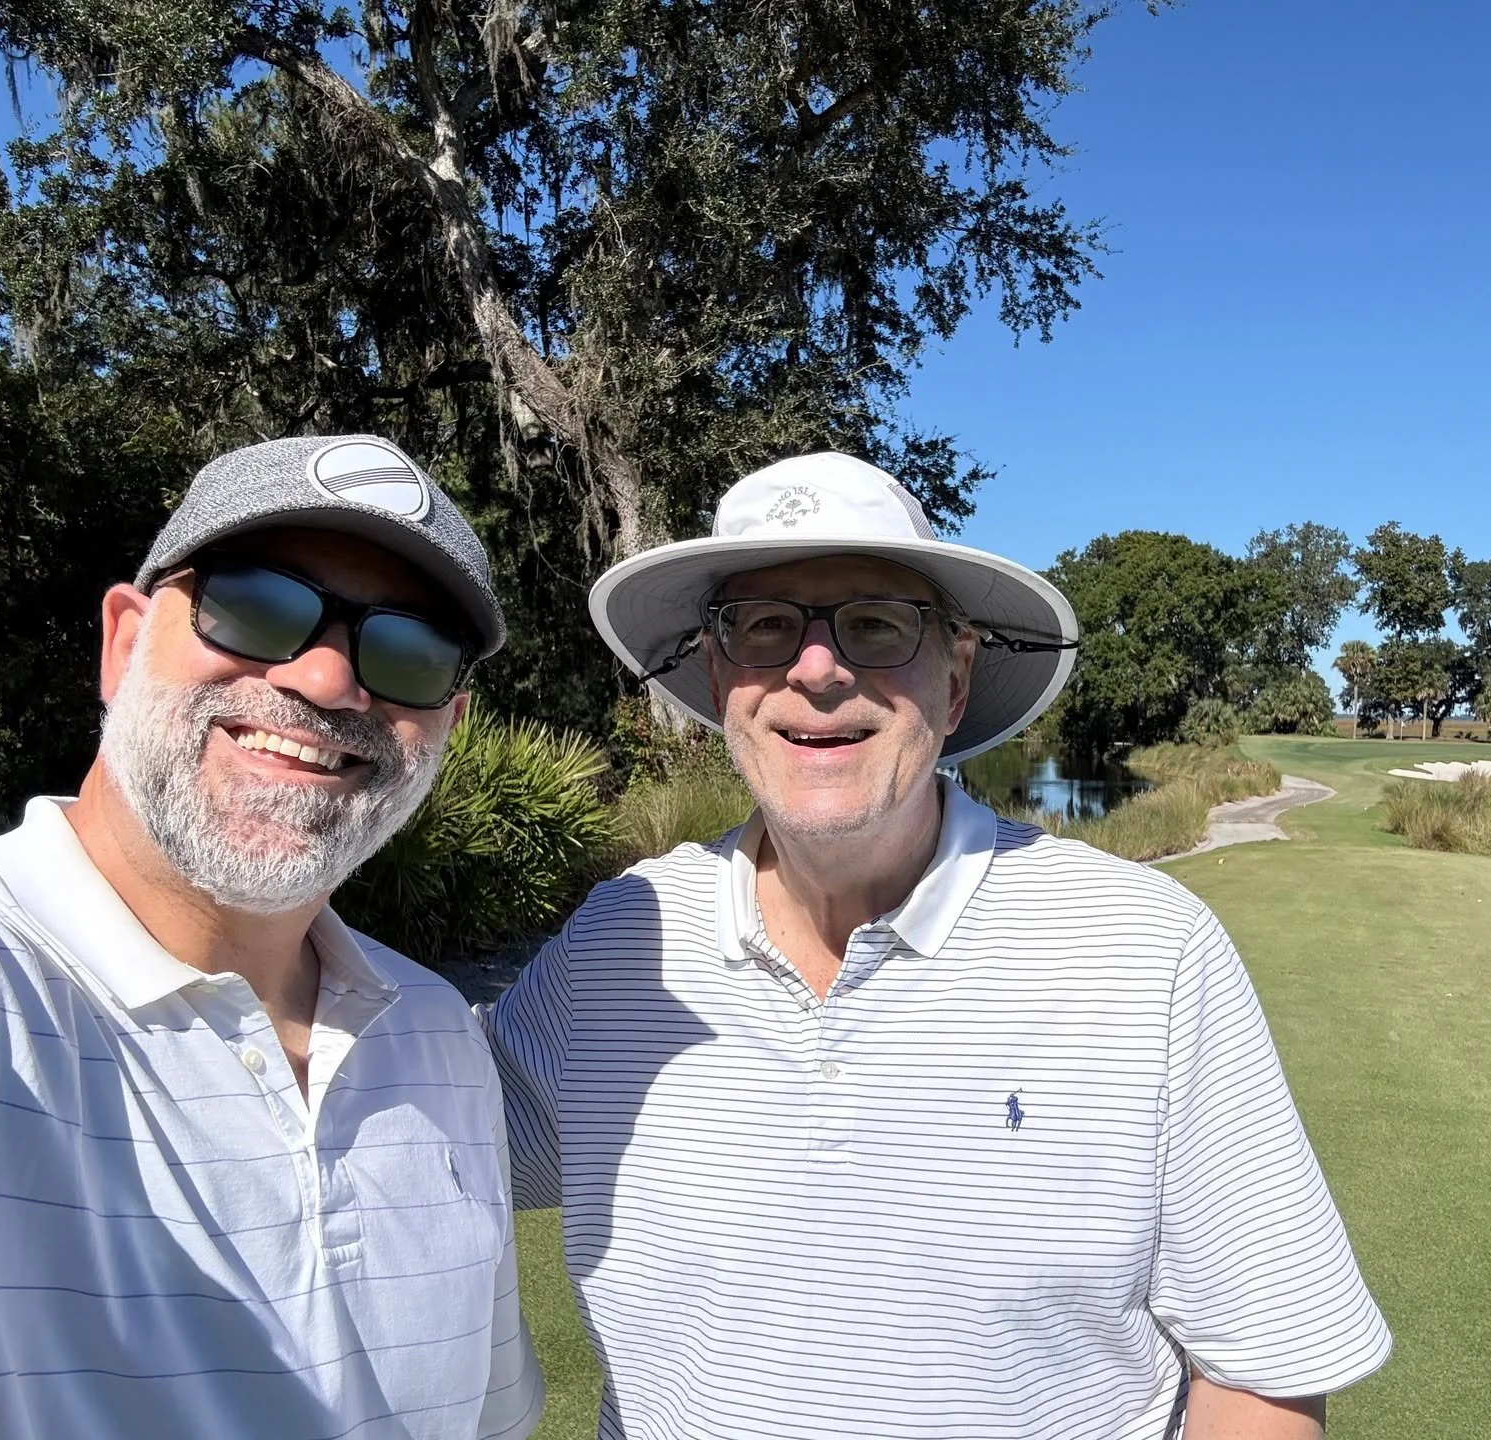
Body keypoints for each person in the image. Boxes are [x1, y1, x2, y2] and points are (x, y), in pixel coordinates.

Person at [483, 451, 1391, 1439]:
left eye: (875, 625)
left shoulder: (1146, 953)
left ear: (954, 681)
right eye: (764, 626)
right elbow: (407, 1153)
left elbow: (1263, 1375)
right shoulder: (622, 939)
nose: (817, 669)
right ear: (718, 675)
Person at [0, 436, 543, 1438]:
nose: (326, 680)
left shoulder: (437, 1038)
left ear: (450, 717)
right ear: (123, 641)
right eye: (257, 605)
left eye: (409, 653)